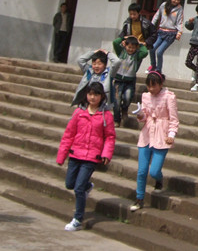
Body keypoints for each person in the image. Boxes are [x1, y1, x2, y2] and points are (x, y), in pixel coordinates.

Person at [56, 81, 115, 231]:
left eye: (96, 94)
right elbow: (69, 134)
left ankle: (78, 219)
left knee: (78, 188)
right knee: (70, 184)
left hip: (91, 157)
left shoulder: (106, 115)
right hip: (75, 154)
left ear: (102, 96)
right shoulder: (78, 112)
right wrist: (61, 155)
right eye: (90, 94)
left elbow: (110, 137)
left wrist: (106, 154)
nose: (92, 97)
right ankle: (88, 186)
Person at [130, 71, 179, 212]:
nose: (151, 89)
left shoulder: (169, 96)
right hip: (147, 134)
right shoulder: (146, 96)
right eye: (149, 86)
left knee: (154, 170)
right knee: (142, 171)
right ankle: (139, 198)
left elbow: (174, 118)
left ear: (160, 84)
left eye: (154, 86)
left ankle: (159, 178)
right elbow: (144, 116)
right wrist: (140, 115)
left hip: (162, 135)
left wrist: (171, 134)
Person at [111, 35, 148, 127]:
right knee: (116, 100)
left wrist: (140, 44)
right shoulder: (121, 52)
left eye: (133, 47)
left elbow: (145, 52)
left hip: (130, 81)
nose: (131, 49)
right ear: (125, 46)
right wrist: (124, 38)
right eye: (129, 47)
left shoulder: (137, 56)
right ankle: (116, 119)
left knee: (127, 98)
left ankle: (124, 109)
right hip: (118, 80)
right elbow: (115, 42)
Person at [150, 0, 184, 74]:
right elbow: (157, 16)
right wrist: (151, 26)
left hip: (171, 34)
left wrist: (179, 32)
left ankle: (158, 70)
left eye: (178, 0)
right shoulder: (163, 5)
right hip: (161, 31)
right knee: (152, 48)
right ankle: (153, 66)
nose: (176, 1)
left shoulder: (179, 8)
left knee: (159, 52)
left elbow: (180, 21)